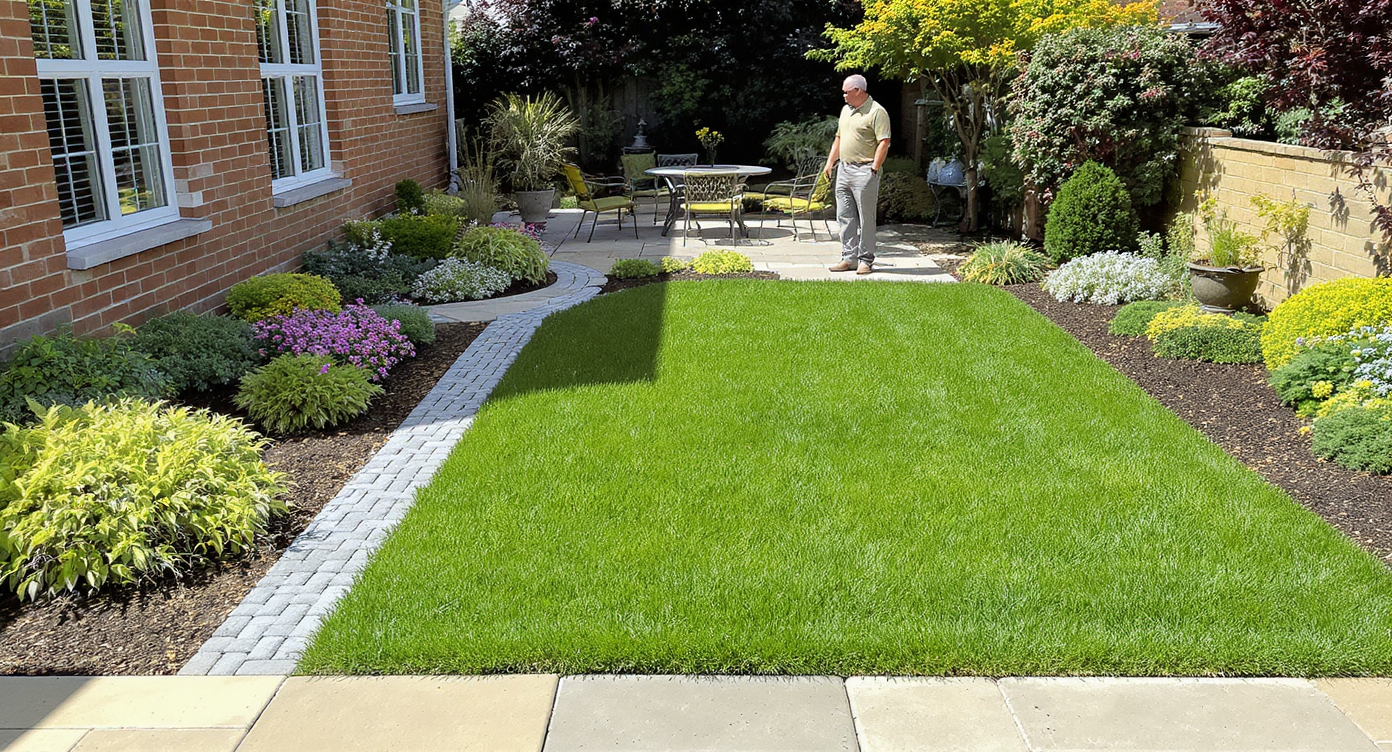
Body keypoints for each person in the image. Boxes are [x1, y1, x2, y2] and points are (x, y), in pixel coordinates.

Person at [824, 74, 891, 275]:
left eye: (846, 92)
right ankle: (848, 258)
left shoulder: (877, 112)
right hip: (844, 170)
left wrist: (874, 168)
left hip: (865, 170)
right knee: (844, 216)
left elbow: (884, 142)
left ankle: (865, 260)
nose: (843, 95)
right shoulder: (846, 110)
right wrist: (830, 162)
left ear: (858, 91)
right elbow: (838, 138)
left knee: (866, 218)